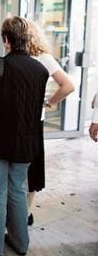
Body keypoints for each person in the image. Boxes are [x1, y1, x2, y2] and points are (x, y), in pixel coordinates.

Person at [0, 16, 49, 256]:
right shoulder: (40, 70)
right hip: (28, 142)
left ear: (6, 40)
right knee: (17, 191)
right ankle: (20, 242)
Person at [26, 20, 75, 225]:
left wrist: (48, 102)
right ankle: (26, 212)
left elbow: (68, 85)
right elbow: (67, 85)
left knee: (22, 168)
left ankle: (22, 212)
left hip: (24, 122)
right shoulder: (44, 58)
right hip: (35, 121)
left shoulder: (38, 58)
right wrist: (48, 103)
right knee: (31, 169)